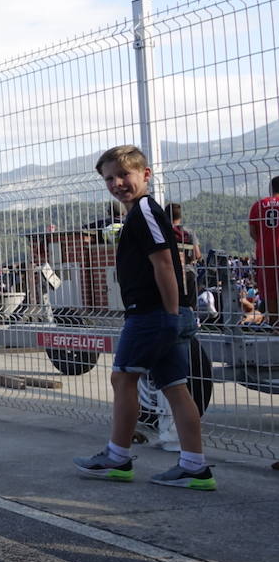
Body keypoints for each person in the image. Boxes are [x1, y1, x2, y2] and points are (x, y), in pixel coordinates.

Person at [73, 145, 215, 490]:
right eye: (110, 178)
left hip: (152, 314)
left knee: (123, 380)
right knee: (175, 387)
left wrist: (170, 314)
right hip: (160, 314)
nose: (117, 183)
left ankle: (117, 458)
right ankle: (194, 466)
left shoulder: (145, 211)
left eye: (125, 175)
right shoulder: (138, 213)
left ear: (145, 175)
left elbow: (165, 262)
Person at [249, 175, 279, 327]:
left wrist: (263, 241)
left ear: (271, 188)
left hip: (266, 253)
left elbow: (253, 232)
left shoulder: (258, 205)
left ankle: (275, 325)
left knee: (271, 292)